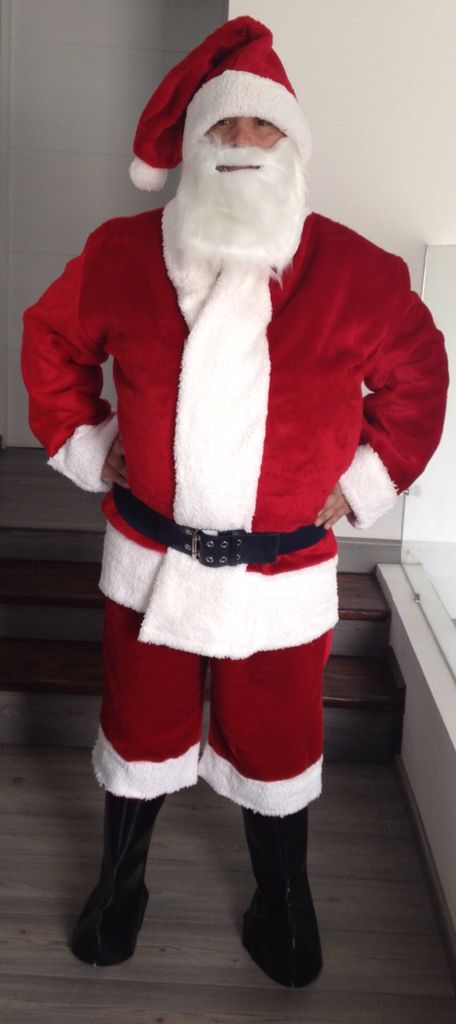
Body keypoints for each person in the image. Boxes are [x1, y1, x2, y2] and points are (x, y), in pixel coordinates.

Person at [21, 16, 448, 988]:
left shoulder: (354, 273)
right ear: (194, 149)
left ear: (293, 149)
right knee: (139, 729)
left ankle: (284, 901)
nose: (246, 149)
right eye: (227, 132)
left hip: (283, 575)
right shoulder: (123, 254)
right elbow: (51, 340)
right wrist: (92, 448)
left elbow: (419, 372)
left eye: (265, 132)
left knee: (278, 742)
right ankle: (119, 885)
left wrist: (365, 480)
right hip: (150, 557)